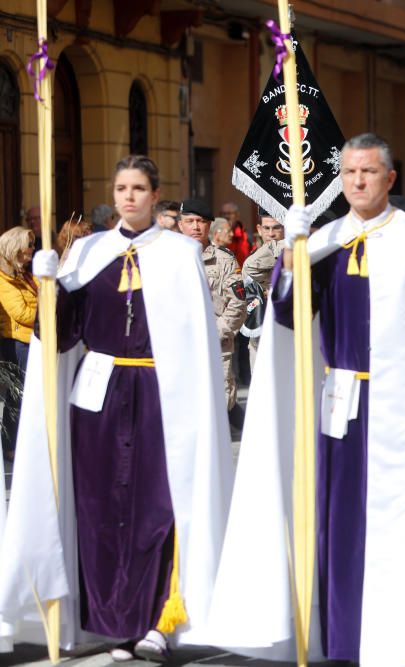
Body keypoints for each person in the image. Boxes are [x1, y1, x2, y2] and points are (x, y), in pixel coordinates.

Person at [204, 134, 405, 665]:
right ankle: (346, 637)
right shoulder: (322, 243)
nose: (358, 182)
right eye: (348, 173)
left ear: (390, 179)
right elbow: (288, 317)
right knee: (341, 522)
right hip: (341, 403)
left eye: (368, 172)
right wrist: (291, 262)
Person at [0, 155, 234, 661]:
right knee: (100, 509)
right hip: (98, 398)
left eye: (139, 188)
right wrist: (50, 287)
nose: (129, 196)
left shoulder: (178, 254)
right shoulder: (88, 252)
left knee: (156, 508)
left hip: (157, 392)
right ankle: (117, 620)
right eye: (121, 187)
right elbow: (61, 335)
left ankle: (157, 620)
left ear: (154, 195)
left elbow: (195, 339)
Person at [178, 198, 247, 410]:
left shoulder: (225, 260)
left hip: (216, 346)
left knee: (217, 406)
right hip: (179, 346)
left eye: (200, 221)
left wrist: (217, 331)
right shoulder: (169, 258)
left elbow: (239, 301)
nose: (195, 226)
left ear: (209, 225)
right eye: (190, 221)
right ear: (180, 224)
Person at [0, 227, 37, 461]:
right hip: (16, 343)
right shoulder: (4, 278)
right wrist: (46, 309)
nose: (32, 250)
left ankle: (22, 443)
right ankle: (11, 446)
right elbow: (22, 313)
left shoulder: (22, 274)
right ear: (15, 249)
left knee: (27, 396)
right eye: (29, 246)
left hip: (30, 340)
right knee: (18, 395)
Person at [242, 209, 285, 367]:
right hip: (259, 331)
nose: (271, 234)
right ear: (259, 230)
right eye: (266, 228)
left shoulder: (295, 253)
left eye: (277, 227)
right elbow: (249, 269)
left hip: (286, 329)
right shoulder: (255, 256)